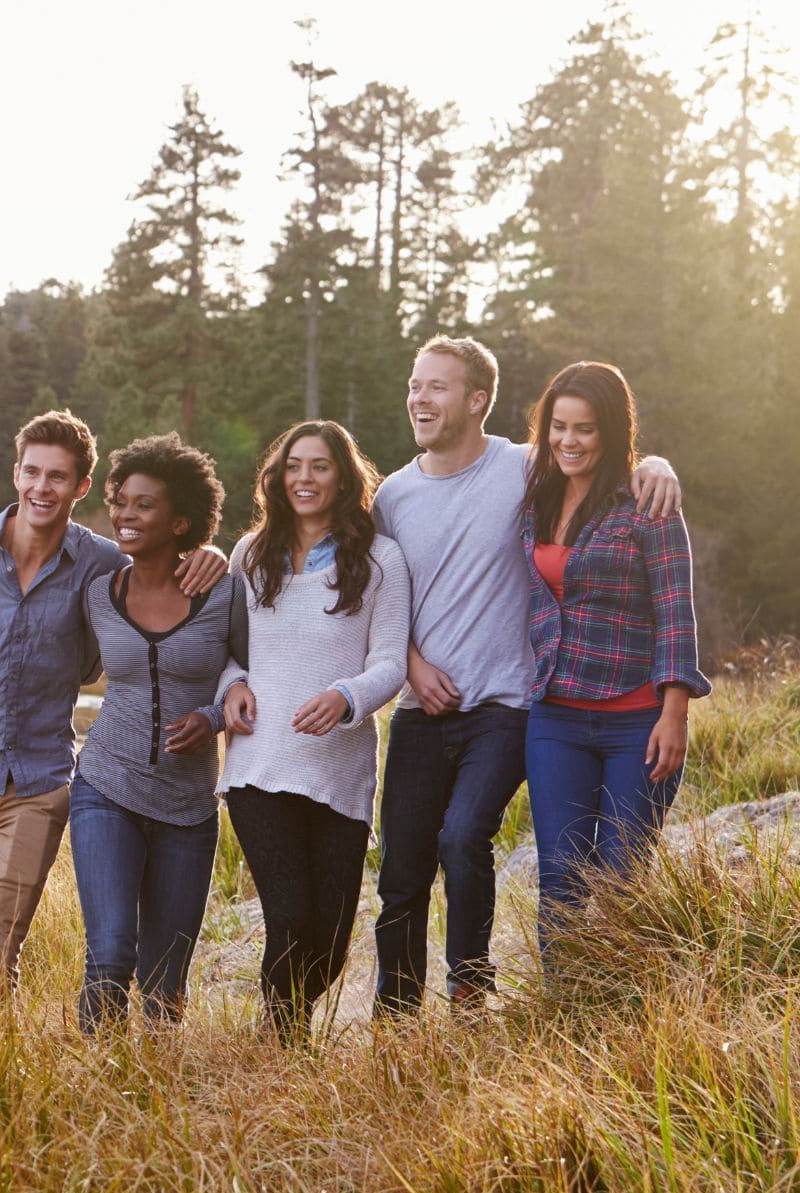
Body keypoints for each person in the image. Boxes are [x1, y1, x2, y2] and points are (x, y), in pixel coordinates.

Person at [372, 336, 682, 1019]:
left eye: (437, 387)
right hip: (425, 705)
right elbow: (378, 600)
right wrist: (413, 666)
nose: (420, 398)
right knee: (401, 869)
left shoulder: (524, 468)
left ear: (477, 400)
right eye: (414, 385)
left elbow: (600, 452)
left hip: (512, 702)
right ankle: (395, 1017)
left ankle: (472, 991)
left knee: (464, 838)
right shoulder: (391, 496)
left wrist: (657, 464)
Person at [0, 410, 225, 1019]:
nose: (41, 487)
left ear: (79, 486)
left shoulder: (101, 562)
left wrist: (210, 550)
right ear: (16, 473)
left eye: (58, 477)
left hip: (36, 785)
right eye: (32, 472)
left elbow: (160, 560)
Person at [219, 420, 410, 1043]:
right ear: (277, 476)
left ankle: (280, 1030)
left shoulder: (379, 559)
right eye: (294, 465)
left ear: (344, 477)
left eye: (320, 466)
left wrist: (345, 696)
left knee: (328, 945)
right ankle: (283, 1049)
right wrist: (232, 686)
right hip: (259, 762)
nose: (305, 478)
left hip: (339, 768)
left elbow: (391, 663)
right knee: (290, 918)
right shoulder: (249, 554)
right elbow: (224, 651)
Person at [520, 361, 710, 963]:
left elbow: (676, 610)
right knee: (560, 879)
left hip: (637, 720)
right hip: (556, 718)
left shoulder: (647, 501)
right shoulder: (535, 495)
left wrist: (674, 713)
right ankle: (564, 1011)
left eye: (586, 429)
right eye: (559, 426)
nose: (569, 441)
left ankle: (627, 1009)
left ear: (612, 432)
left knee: (623, 877)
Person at [70, 433, 248, 1032]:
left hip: (187, 808)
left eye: (144, 504)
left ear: (181, 522)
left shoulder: (224, 591)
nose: (125, 513)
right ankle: (92, 1089)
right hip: (104, 787)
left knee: (166, 983)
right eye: (121, 501)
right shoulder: (99, 594)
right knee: (111, 954)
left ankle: (153, 1101)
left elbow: (252, 673)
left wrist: (216, 715)